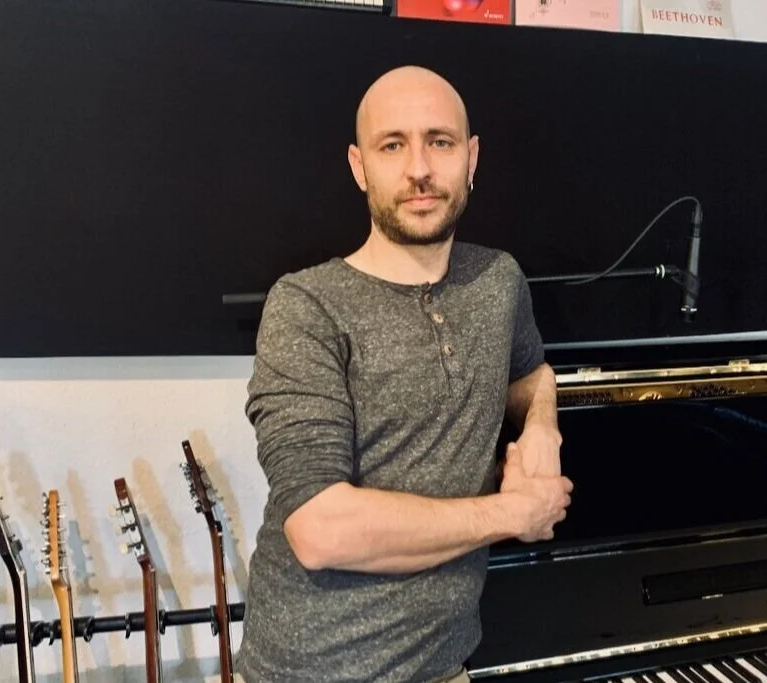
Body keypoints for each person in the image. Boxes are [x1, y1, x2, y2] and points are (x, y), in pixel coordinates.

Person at [234, 65, 574, 683]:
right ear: (360, 166)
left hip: (446, 666)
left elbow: (531, 374)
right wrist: (514, 512)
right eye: (393, 145)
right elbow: (320, 529)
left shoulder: (498, 281)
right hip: (312, 671)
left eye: (439, 142)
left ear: (471, 159)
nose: (419, 168)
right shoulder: (306, 305)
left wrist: (542, 429)